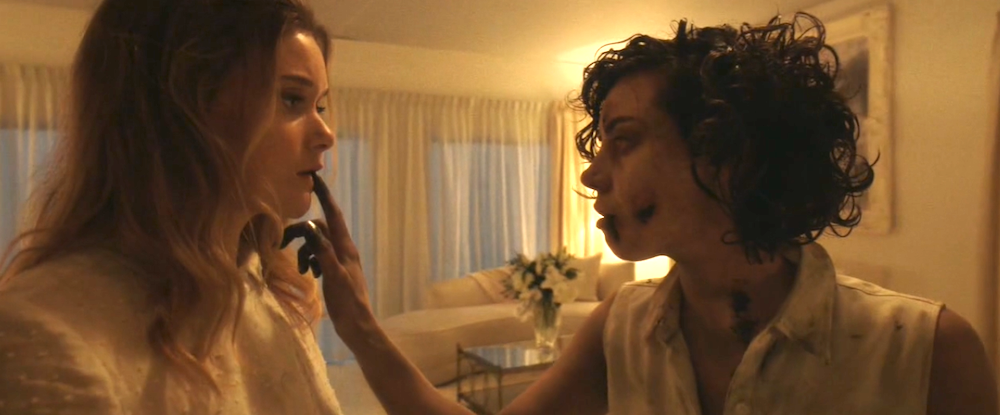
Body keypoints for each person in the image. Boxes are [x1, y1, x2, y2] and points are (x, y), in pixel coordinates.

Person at [297, 12, 1000, 415]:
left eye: (625, 140)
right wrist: (359, 325)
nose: (592, 172)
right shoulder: (622, 327)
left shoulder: (927, 350)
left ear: (726, 152)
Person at [0, 0, 342, 413]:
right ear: (182, 109)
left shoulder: (273, 296)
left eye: (320, 106)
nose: (327, 134)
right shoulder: (44, 333)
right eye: (291, 99)